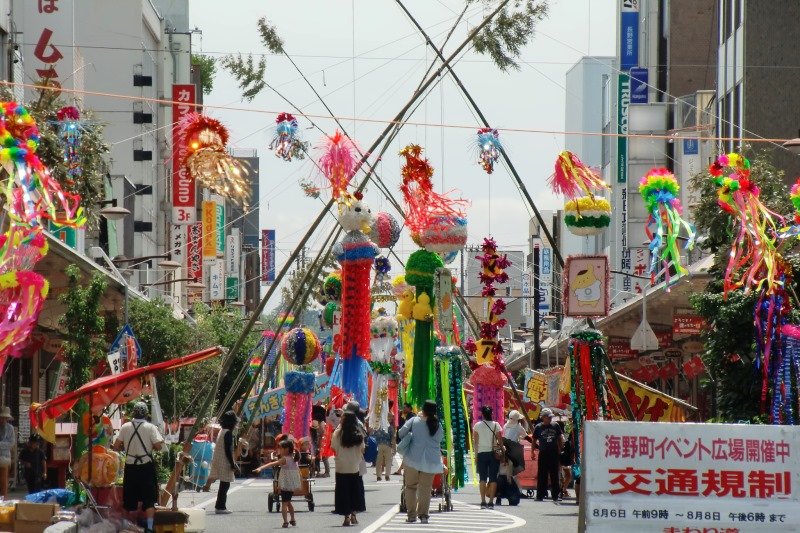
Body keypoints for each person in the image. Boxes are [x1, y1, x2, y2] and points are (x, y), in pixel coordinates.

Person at [113, 402, 164, 533]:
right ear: (146, 414)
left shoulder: (125, 427)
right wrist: (149, 447)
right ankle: (149, 527)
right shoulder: (150, 427)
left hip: (130, 466)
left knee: (128, 497)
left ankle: (124, 526)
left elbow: (116, 446)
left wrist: (127, 446)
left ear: (133, 413)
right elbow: (159, 446)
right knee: (149, 498)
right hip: (146, 466)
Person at [397, 400, 443, 524]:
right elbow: (440, 439)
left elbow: (401, 433)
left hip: (412, 458)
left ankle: (411, 515)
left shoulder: (414, 420)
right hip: (431, 461)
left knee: (411, 487)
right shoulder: (438, 424)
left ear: (423, 409)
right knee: (426, 489)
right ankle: (423, 515)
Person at [255, 439, 301, 528]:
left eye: (281, 449)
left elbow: (273, 464)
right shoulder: (294, 458)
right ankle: (293, 519)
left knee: (284, 504)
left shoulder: (285, 459)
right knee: (288, 502)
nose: (279, 451)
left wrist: (261, 468)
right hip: (291, 485)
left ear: (286, 449)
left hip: (285, 485)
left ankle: (285, 521)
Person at [331, 411, 366, 527]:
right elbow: (362, 449)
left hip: (341, 466)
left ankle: (346, 516)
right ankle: (354, 515)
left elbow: (334, 449)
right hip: (355, 466)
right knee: (355, 491)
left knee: (343, 492)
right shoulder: (358, 433)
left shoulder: (337, 433)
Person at [472, 405, 503, 509]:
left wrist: (475, 455)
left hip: (481, 453)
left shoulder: (477, 425)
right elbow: (500, 441)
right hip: (493, 454)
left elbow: (475, 442)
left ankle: (483, 501)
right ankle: (491, 502)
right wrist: (502, 451)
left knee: (482, 478)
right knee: (493, 478)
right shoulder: (496, 425)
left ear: (482, 414)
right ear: (491, 414)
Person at [208, 411, 239, 514]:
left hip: (218, 458)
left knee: (223, 483)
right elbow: (227, 450)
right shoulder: (228, 433)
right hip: (224, 459)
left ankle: (220, 505)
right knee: (225, 484)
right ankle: (220, 506)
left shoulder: (222, 430)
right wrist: (232, 463)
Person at [533, 408, 563, 502]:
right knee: (542, 475)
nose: (550, 419)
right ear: (543, 417)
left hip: (554, 452)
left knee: (554, 475)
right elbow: (534, 440)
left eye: (551, 417)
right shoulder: (538, 427)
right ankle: (540, 495)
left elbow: (560, 438)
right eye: (548, 417)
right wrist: (532, 451)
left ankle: (555, 495)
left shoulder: (555, 425)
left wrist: (560, 449)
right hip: (543, 453)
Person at [502, 410, 529, 476]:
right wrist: (537, 446)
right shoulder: (518, 427)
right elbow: (526, 437)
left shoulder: (505, 425)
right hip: (513, 448)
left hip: (505, 447)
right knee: (518, 465)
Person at [372, 415, 395, 482]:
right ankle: (387, 475)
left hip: (379, 445)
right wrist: (394, 447)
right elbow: (393, 438)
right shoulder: (390, 427)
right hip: (387, 445)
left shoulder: (378, 426)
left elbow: (374, 435)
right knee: (388, 461)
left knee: (379, 461)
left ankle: (378, 476)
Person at [393, 403, 413, 476]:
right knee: (406, 455)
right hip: (405, 437)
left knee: (406, 455)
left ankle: (401, 470)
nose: (403, 409)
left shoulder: (412, 416)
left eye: (405, 408)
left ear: (409, 408)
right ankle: (401, 470)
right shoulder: (403, 414)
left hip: (409, 438)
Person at [0, 407, 15, 500]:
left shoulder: (10, 428)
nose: (2, 420)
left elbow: (11, 443)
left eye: (4, 418)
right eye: (1, 418)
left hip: (4, 457)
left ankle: (3, 498)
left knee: (3, 480)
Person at [559, 423, 575, 499]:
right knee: (567, 476)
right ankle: (563, 490)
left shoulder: (565, 438)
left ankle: (563, 490)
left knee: (565, 475)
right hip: (564, 459)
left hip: (561, 458)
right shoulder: (564, 437)